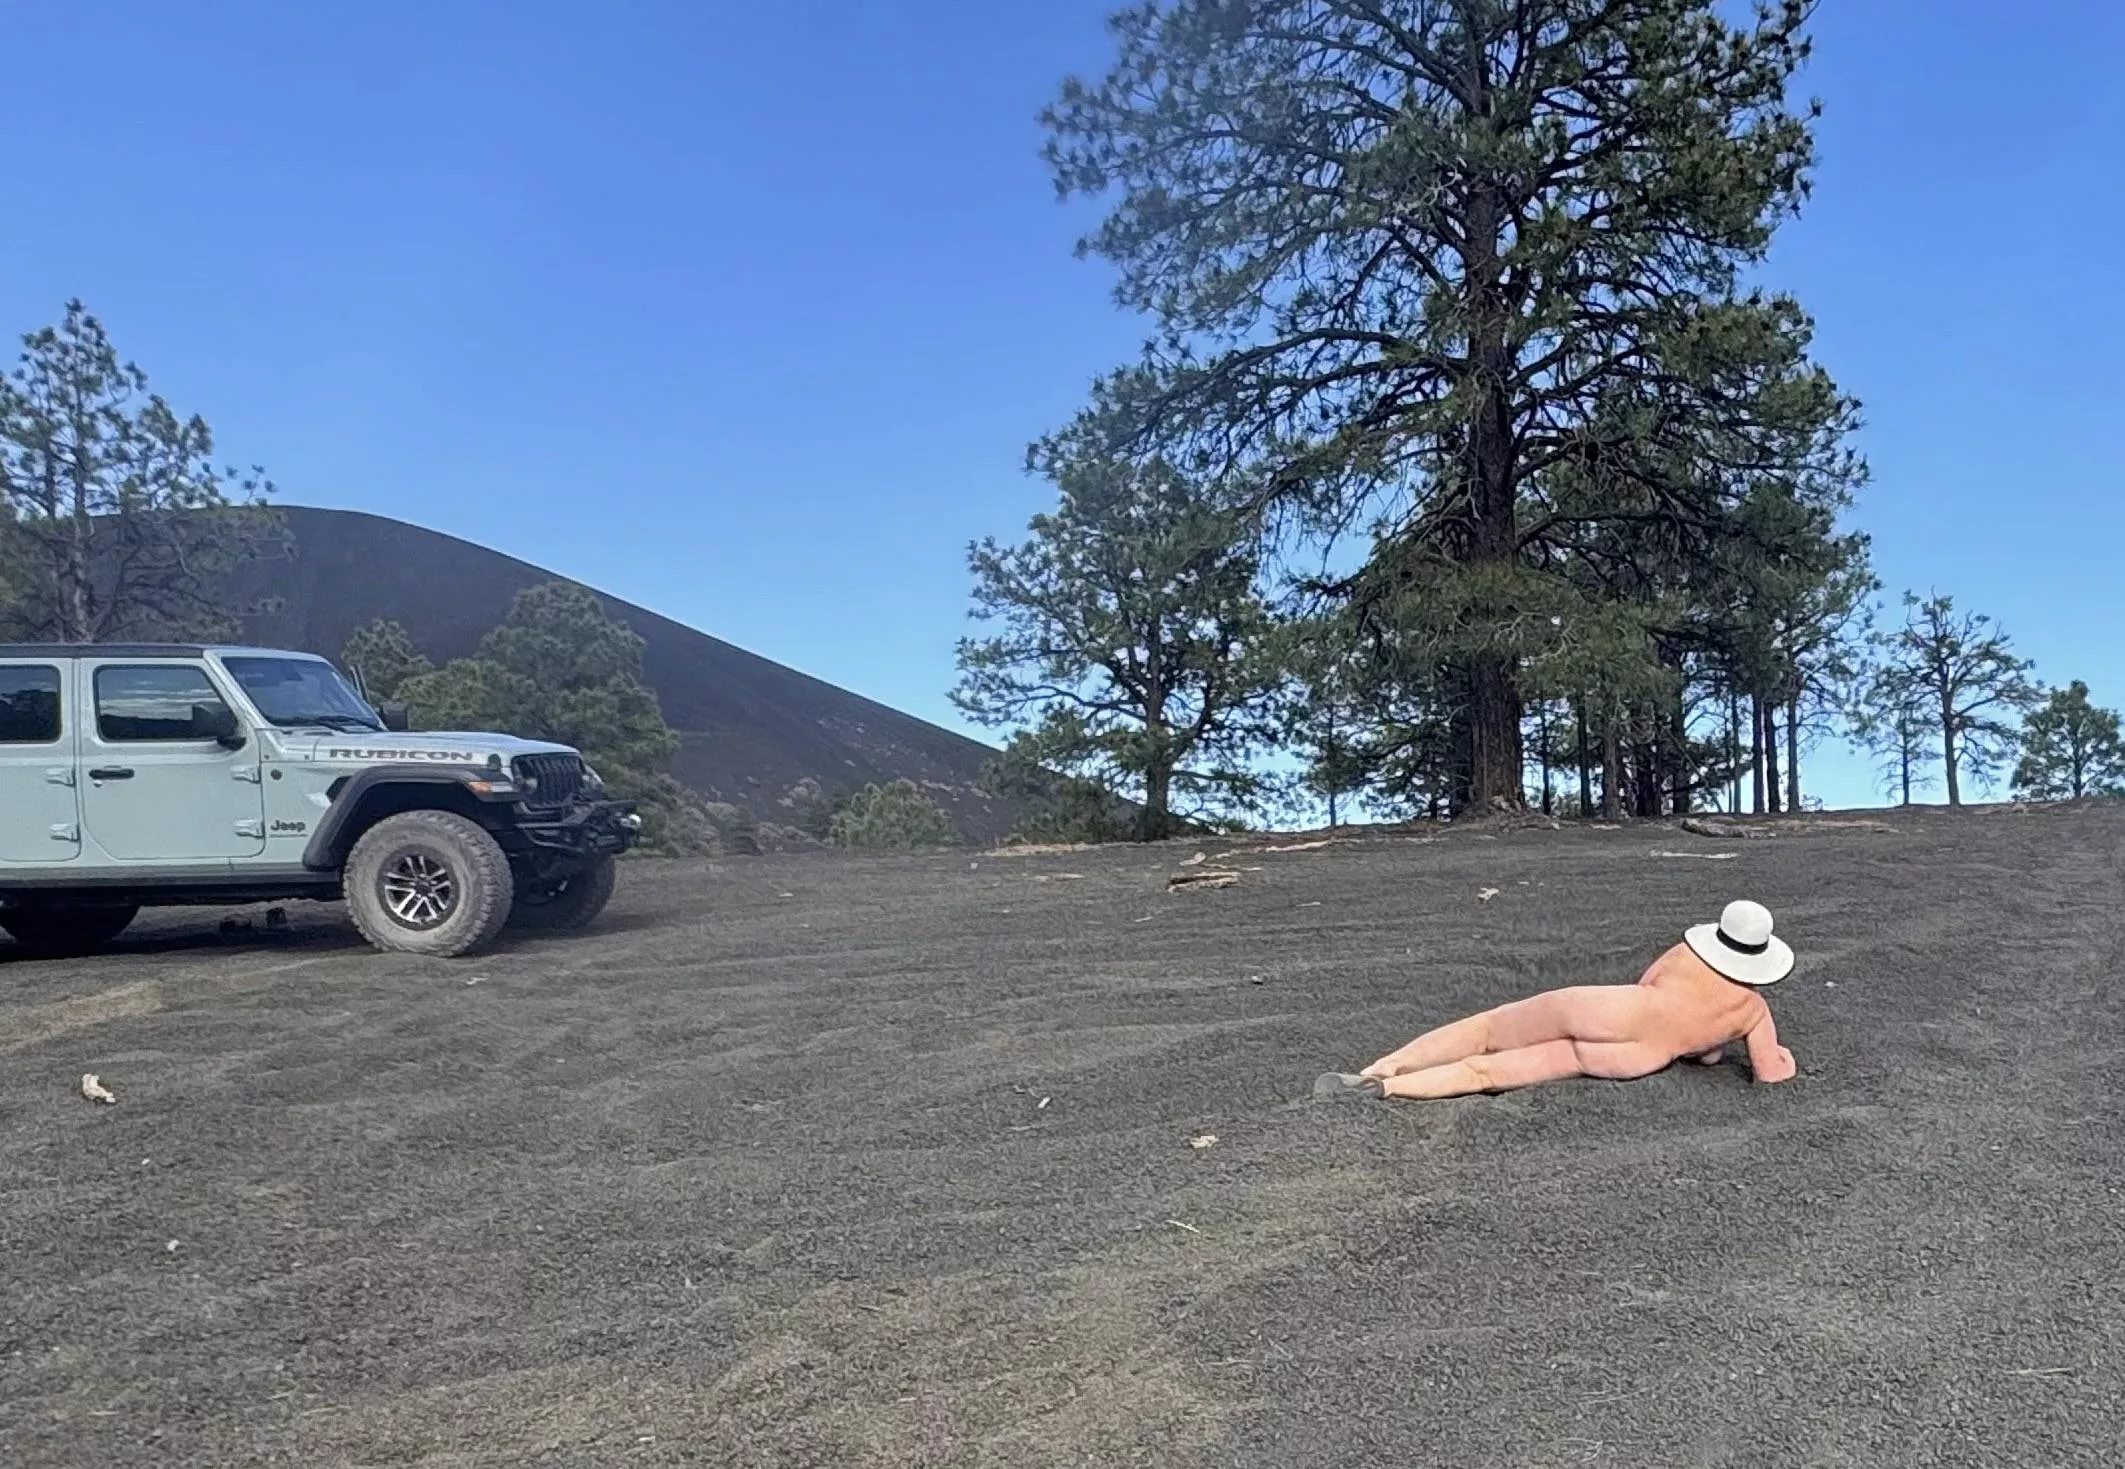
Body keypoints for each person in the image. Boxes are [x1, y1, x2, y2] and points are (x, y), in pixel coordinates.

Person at [1316, 899, 1800, 1101]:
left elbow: (1649, 983)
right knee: (1485, 1074)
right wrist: (1780, 1057)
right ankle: (1388, 1093)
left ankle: (1386, 1067)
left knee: (1489, 1031)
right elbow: (1770, 1072)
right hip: (1637, 1056)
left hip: (1617, 1009)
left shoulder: (1683, 956)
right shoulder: (1751, 1009)